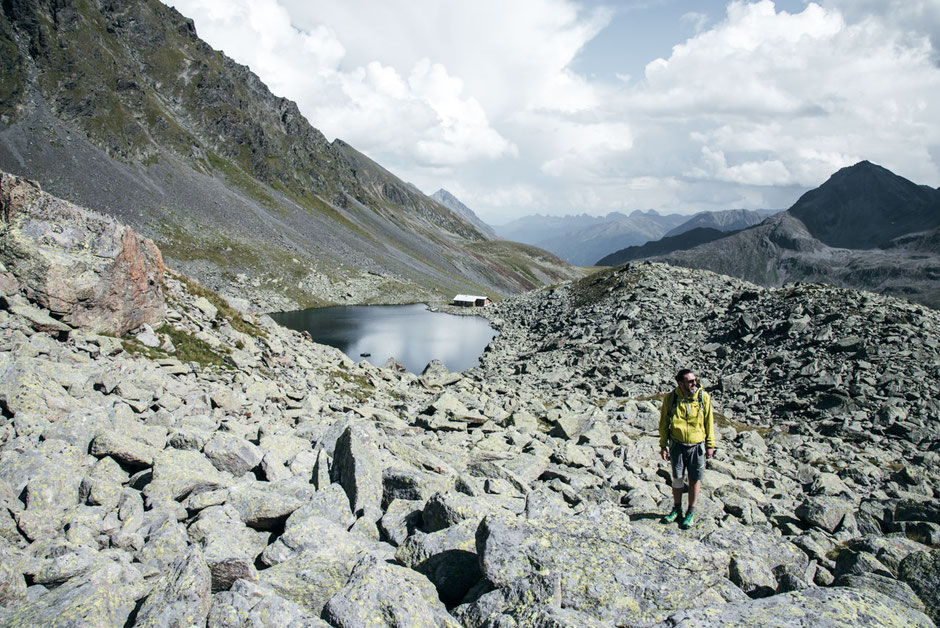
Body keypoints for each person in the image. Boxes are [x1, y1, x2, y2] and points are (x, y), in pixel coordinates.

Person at [659, 368, 716, 529]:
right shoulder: (671, 398)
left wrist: (710, 444)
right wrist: (663, 445)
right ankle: (677, 509)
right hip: (677, 444)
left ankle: (690, 511)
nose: (694, 383)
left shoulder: (703, 397)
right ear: (680, 383)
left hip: (697, 445)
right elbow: (664, 423)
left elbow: (709, 422)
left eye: (694, 380)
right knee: (677, 478)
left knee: (694, 479)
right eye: (690, 381)